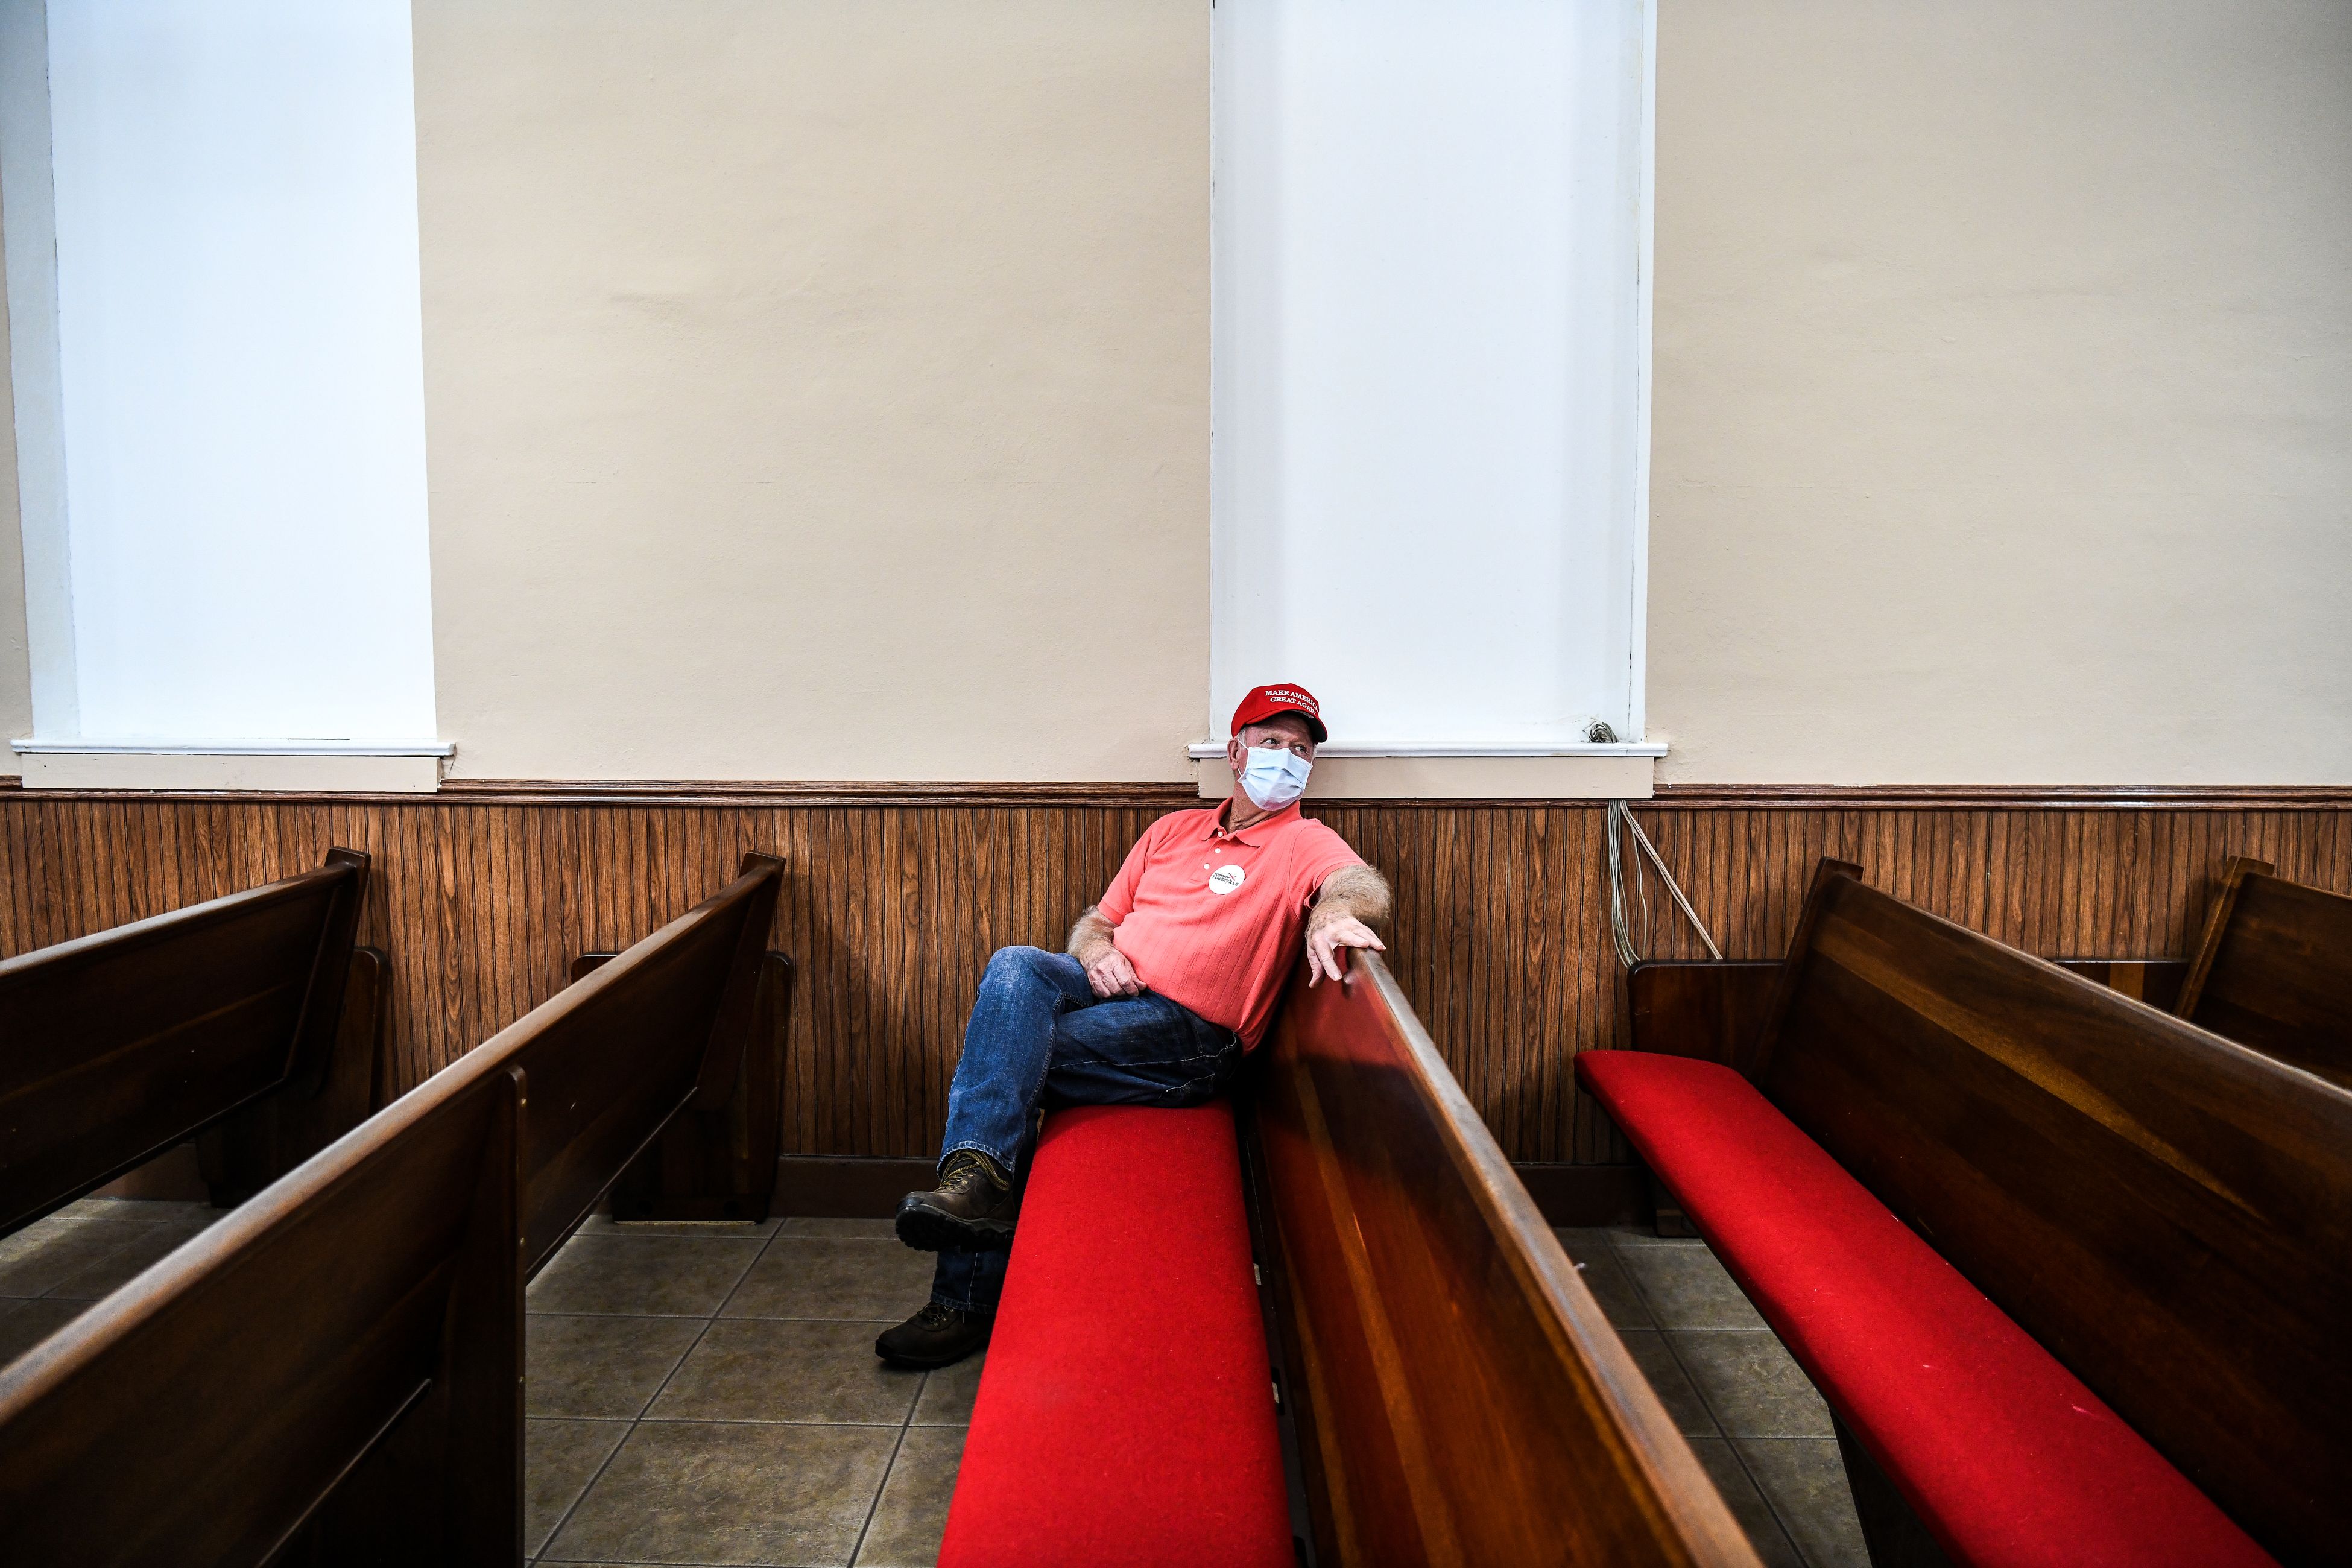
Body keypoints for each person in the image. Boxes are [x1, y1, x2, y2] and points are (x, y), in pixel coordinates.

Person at [874, 682, 1392, 1368]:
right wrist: (1097, 949)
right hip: (1111, 996)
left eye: (1301, 749)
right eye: (1272, 743)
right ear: (1237, 754)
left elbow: (1359, 884)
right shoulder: (1171, 830)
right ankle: (977, 1181)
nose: (1287, 759)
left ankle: (965, 1286)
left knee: (1007, 1064)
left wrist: (1331, 916)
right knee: (1016, 965)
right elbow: (1098, 919)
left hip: (1192, 1039)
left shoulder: (1303, 839)